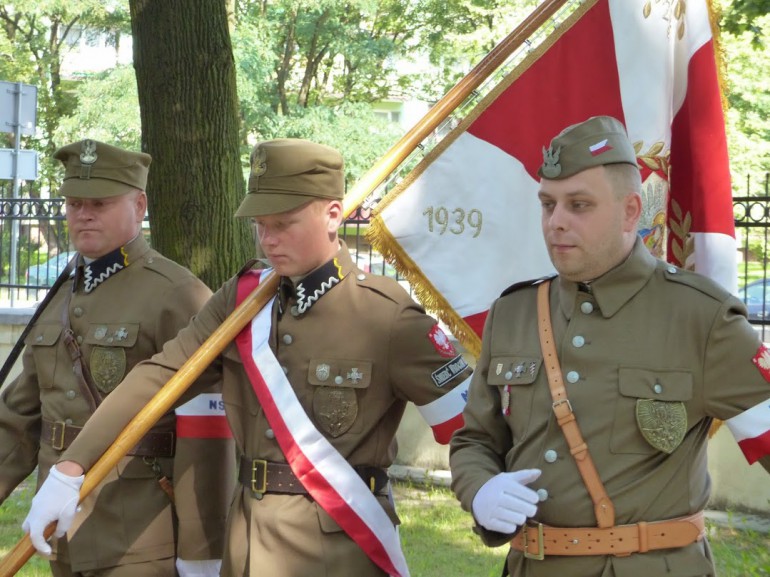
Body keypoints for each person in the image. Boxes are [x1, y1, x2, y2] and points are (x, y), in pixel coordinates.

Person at [23, 138, 474, 577]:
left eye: (284, 223)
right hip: (247, 542)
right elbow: (163, 374)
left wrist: (485, 489)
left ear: (333, 214)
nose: (268, 240)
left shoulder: (387, 314)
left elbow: (469, 425)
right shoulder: (242, 302)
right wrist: (71, 465)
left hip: (338, 546)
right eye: (260, 224)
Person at [449, 116, 770, 577]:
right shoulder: (515, 313)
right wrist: (479, 489)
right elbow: (476, 439)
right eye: (547, 204)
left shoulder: (701, 317)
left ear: (630, 211)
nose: (556, 222)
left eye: (579, 205)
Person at [0, 139, 235, 577]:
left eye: (100, 203)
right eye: (74, 203)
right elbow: (20, 417)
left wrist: (203, 551)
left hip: (139, 535)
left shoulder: (177, 294)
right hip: (61, 529)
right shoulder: (62, 295)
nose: (83, 214)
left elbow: (209, 429)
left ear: (140, 205)